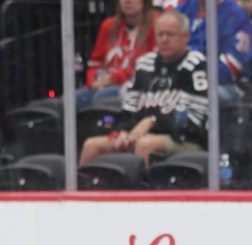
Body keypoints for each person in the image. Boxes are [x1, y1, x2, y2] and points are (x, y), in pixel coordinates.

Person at [79, 10, 209, 167]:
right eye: (160, 35)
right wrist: (123, 132)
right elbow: (129, 108)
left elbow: (194, 119)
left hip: (185, 141)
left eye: (170, 34)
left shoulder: (196, 64)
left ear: (185, 37)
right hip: (141, 135)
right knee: (92, 145)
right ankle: (84, 189)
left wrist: (152, 121)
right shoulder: (144, 64)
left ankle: (141, 190)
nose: (164, 39)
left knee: (145, 144)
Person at [76, 0, 159, 110]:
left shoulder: (156, 24)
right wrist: (94, 81)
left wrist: (115, 77)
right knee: (72, 100)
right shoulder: (108, 25)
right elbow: (95, 63)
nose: (127, 1)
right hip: (103, 83)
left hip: (134, 86)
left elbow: (151, 65)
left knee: (102, 98)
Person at [173, 0, 252, 103]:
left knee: (199, 97)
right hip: (179, 79)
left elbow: (233, 65)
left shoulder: (234, 13)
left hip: (223, 85)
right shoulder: (182, 9)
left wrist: (195, 73)